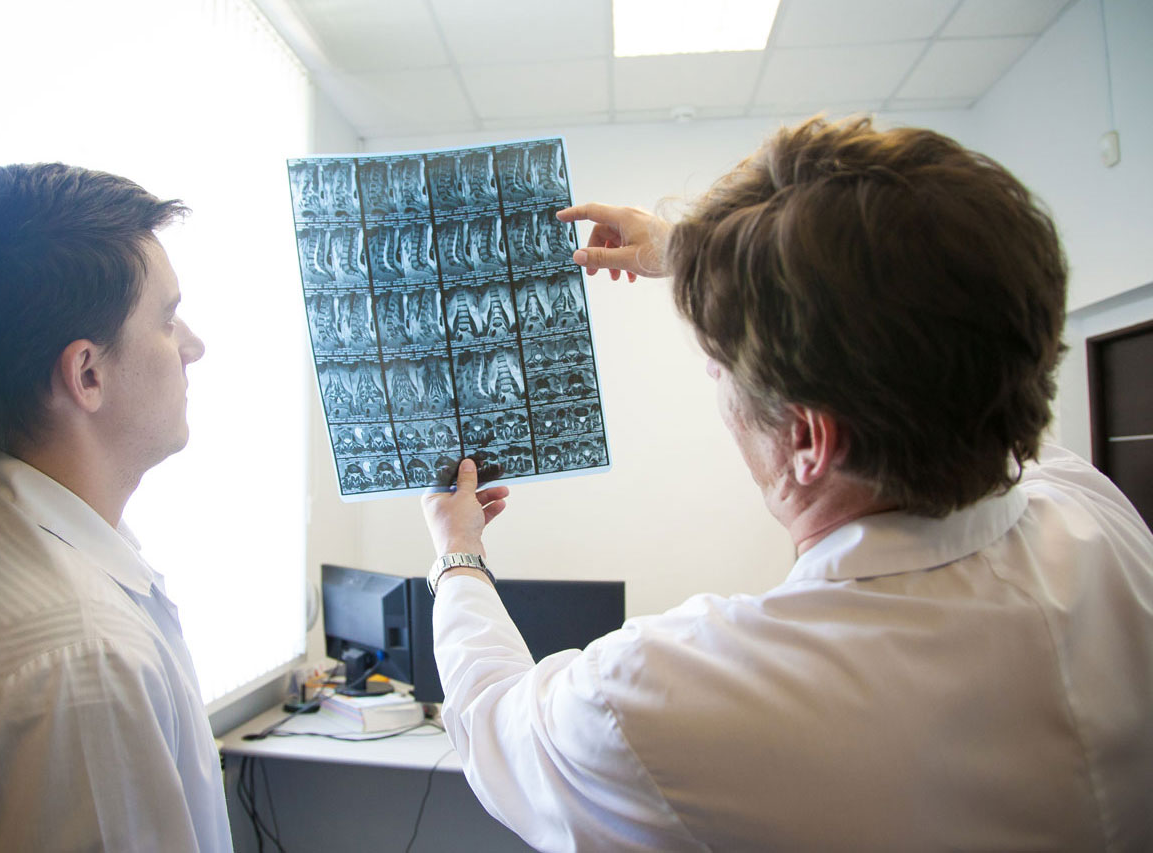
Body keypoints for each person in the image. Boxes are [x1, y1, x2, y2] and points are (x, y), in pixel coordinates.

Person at [421, 117, 1153, 851]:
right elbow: (944, 323)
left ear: (807, 441)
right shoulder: (1098, 514)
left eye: (717, 364)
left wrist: (459, 553)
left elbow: (497, 724)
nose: (716, 378)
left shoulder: (666, 701)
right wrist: (696, 254)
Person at [0, 164, 231, 851]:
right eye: (167, 320)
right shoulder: (81, 658)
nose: (193, 346)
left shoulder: (3, 538)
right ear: (87, 374)